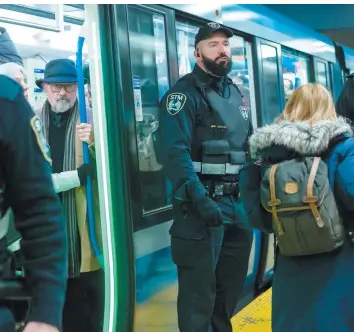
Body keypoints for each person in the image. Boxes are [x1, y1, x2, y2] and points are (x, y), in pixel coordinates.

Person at [157, 22, 253, 332]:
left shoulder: (235, 93)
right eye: (213, 44)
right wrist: (199, 199)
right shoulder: (183, 95)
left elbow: (248, 146)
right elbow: (174, 153)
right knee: (198, 301)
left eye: (225, 44)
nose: (222, 49)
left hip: (237, 209)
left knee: (228, 295)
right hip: (202, 211)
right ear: (197, 53)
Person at [240, 83, 354, 332]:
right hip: (339, 265)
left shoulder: (268, 155)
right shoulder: (344, 148)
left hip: (291, 267)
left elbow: (258, 218)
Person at [36, 59, 103, 332]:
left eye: (68, 87)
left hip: (82, 226)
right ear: (45, 88)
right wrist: (77, 176)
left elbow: (113, 167)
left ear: (78, 89)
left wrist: (96, 141)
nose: (62, 93)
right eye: (56, 87)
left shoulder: (93, 119)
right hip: (43, 223)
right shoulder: (31, 123)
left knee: (84, 301)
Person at [0, 75, 67, 332]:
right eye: (57, 86)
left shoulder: (7, 103)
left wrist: (46, 311)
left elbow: (38, 209)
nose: (62, 93)